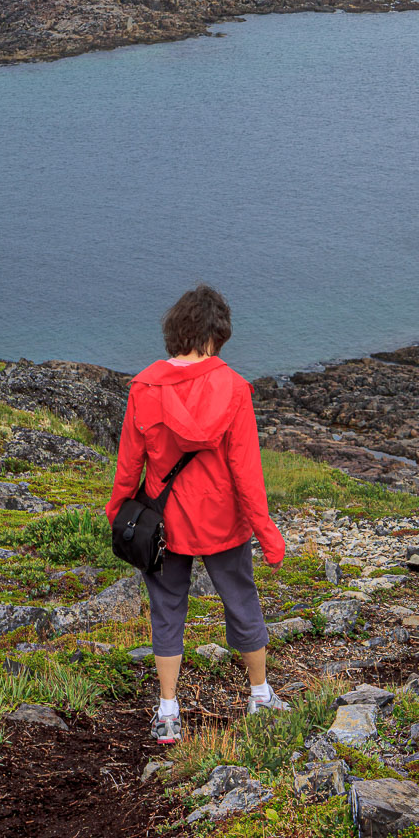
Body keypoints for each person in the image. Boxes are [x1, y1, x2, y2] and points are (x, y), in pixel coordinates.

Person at [105, 284, 288, 743]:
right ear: (216, 335)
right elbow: (247, 473)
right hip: (222, 521)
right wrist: (267, 533)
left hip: (162, 524)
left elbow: (130, 463)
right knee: (242, 601)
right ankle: (260, 696)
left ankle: (168, 712)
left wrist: (117, 512)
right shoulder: (233, 388)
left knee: (166, 611)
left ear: (176, 331)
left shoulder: (144, 386)